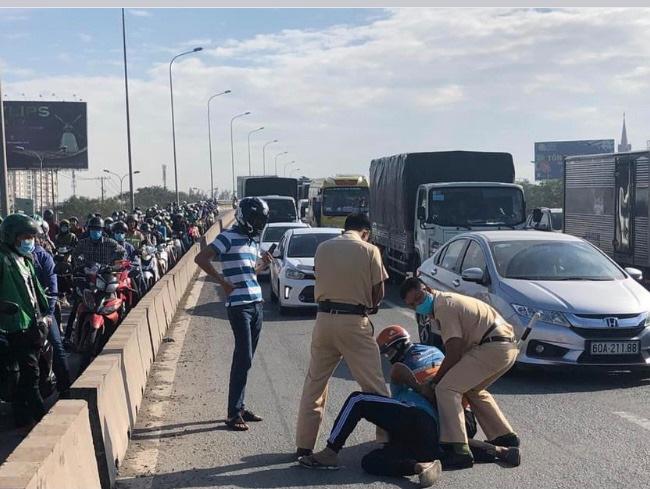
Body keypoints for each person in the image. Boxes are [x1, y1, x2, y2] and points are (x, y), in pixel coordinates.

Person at [299, 326, 520, 483]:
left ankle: (330, 451)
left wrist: (416, 386)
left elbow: (398, 372)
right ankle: (492, 452)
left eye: (388, 353)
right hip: (455, 424)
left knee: (358, 400)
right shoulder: (436, 353)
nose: (389, 358)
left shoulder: (407, 361)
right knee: (370, 461)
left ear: (394, 349)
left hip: (420, 415)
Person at [295, 213, 390, 458]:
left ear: (345, 228)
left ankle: (304, 444)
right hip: (354, 322)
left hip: (324, 320)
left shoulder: (323, 248)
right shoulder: (370, 250)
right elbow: (379, 291)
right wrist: (370, 305)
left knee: (315, 383)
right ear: (365, 232)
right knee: (374, 384)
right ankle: (388, 439)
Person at [400, 277, 520, 469]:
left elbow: (454, 352)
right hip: (505, 347)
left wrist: (433, 383)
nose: (418, 305)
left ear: (428, 289)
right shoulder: (447, 302)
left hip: (492, 347)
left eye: (419, 297)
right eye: (413, 304)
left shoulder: (443, 307)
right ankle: (505, 438)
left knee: (446, 389)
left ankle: (458, 450)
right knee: (472, 389)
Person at [194, 197, 271, 431]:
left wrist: (262, 265)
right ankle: (232, 413)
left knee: (246, 360)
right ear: (245, 218)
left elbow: (250, 272)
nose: (259, 224)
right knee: (243, 357)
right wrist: (222, 282)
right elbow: (201, 258)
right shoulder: (227, 237)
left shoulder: (252, 240)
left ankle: (240, 406)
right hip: (239, 305)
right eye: (256, 219)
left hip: (257, 302)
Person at [0, 214, 51, 427]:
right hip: (14, 326)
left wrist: (46, 314)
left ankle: (21, 418)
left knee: (27, 374)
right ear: (12, 237)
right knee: (31, 376)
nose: (30, 241)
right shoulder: (3, 259)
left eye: (32, 237)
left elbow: (34, 291)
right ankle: (44, 420)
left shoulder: (26, 260)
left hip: (34, 324)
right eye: (25, 237)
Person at [31, 241, 72, 393]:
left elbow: (52, 287)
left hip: (42, 310)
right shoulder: (9, 258)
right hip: (15, 313)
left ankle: (65, 387)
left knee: (56, 343)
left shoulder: (43, 257)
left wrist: (48, 313)